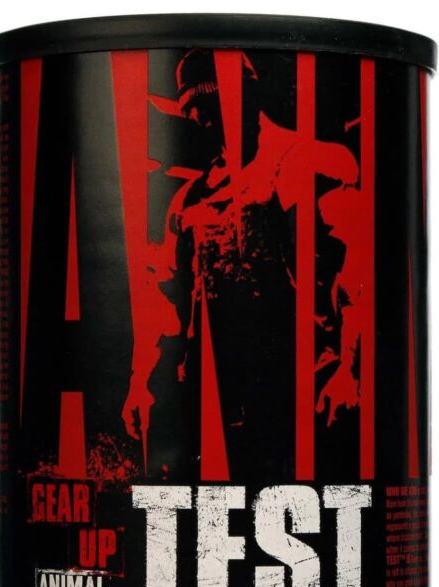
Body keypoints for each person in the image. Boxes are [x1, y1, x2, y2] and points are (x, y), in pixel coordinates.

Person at [122, 49, 360, 481]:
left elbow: (356, 276)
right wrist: (142, 381)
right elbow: (165, 303)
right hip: (214, 402)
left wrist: (349, 367)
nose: (200, 118)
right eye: (192, 108)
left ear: (246, 95)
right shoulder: (189, 202)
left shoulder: (308, 162)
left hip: (293, 398)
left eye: (209, 102)